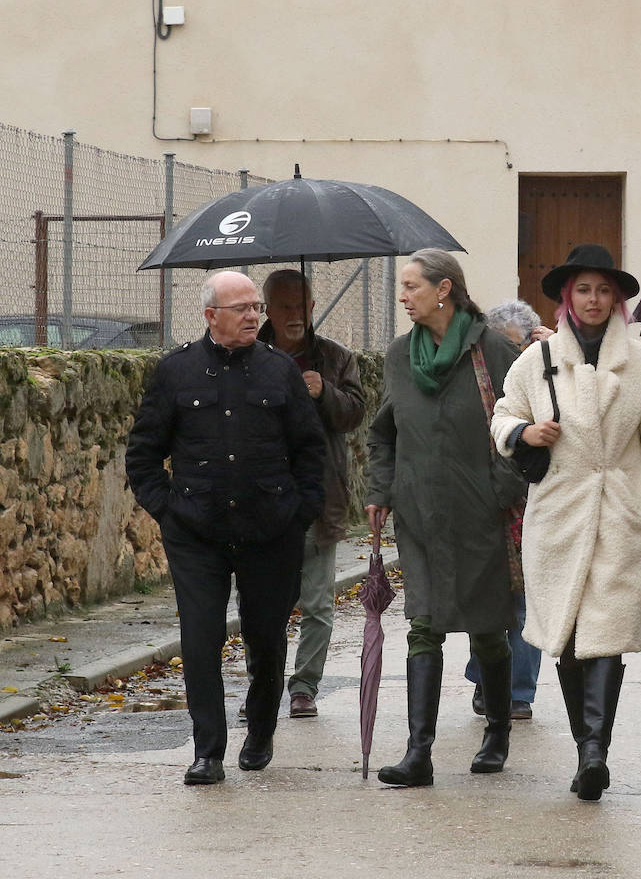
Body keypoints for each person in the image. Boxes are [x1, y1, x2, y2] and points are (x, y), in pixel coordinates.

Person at [491, 243, 641, 802]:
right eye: (584, 289)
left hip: (621, 512)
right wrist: (523, 434)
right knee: (569, 635)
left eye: (604, 290)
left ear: (618, 299)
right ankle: (588, 748)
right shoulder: (535, 361)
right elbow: (503, 413)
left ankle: (595, 750)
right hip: (557, 514)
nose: (595, 299)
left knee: (606, 634)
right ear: (566, 297)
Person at [126, 271, 325, 786]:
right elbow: (144, 454)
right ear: (211, 315)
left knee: (266, 636)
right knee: (200, 637)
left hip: (270, 529)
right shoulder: (176, 372)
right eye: (241, 308)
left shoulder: (280, 371)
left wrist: (300, 511)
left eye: (257, 307)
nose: (254, 316)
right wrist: (166, 510)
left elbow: (309, 451)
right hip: (196, 530)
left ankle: (260, 730)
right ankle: (207, 750)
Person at [366, 248, 522, 786]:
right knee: (423, 623)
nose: (404, 297)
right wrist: (380, 490)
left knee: (486, 627)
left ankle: (497, 732)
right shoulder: (398, 356)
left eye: (411, 286)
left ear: (444, 289)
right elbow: (383, 431)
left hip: (480, 514)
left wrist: (501, 492)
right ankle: (419, 754)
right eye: (402, 288)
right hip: (419, 513)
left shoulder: (493, 350)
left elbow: (519, 427)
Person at [256, 268, 365, 719]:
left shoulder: (335, 358)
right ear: (268, 309)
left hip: (320, 499)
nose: (295, 315)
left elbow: (356, 413)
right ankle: (262, 688)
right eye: (285, 306)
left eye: (302, 305)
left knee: (317, 602)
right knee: (263, 606)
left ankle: (304, 687)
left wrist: (324, 393)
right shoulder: (250, 356)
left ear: (313, 307)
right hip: (263, 502)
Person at [464, 298, 547, 721]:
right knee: (485, 596)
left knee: (522, 600)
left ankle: (518, 692)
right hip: (481, 499)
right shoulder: (476, 375)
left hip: (532, 500)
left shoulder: (547, 370)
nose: (510, 357)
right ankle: (484, 678)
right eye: (503, 347)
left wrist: (558, 358)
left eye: (519, 347)